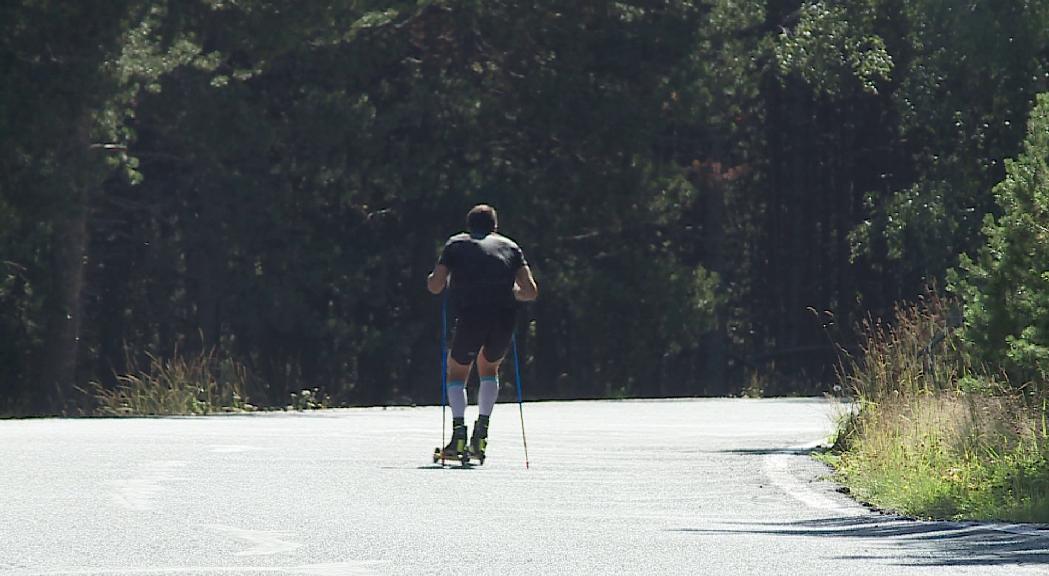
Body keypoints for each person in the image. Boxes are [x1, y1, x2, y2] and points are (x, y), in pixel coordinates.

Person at [427, 204, 538, 462]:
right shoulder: (511, 248)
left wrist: (433, 280)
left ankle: (458, 436)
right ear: (495, 227)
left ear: (469, 225)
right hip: (503, 318)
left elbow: (435, 286)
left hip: (471, 316)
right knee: (489, 369)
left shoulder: (456, 244)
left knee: (456, 372)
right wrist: (512, 294)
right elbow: (530, 291)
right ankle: (482, 434)